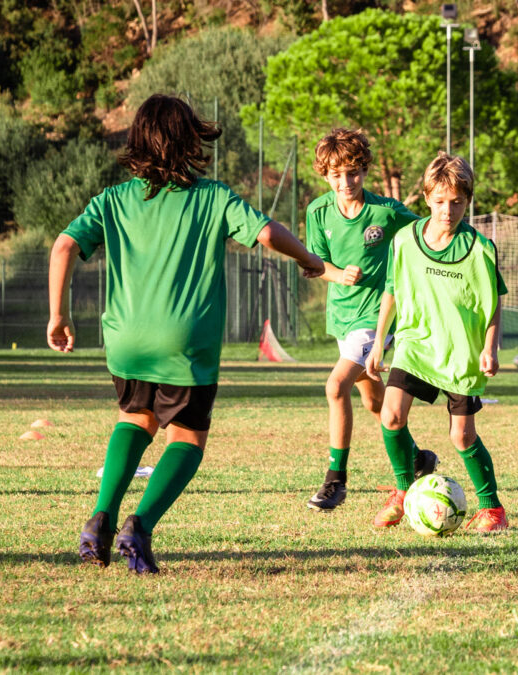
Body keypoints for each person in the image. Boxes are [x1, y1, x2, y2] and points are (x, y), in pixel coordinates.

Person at [51, 94, 325, 574]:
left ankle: (100, 517)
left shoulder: (112, 200)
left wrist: (59, 314)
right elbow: (265, 233)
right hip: (185, 341)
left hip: (125, 340)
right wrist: (309, 259)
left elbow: (64, 245)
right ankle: (139, 525)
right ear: (190, 141)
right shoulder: (212, 196)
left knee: (135, 419)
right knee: (188, 436)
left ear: (137, 140)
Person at [366, 153, 509, 533]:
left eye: (458, 202)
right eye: (441, 201)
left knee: (462, 436)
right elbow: (392, 290)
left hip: (461, 353)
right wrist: (380, 341)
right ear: (427, 198)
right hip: (415, 345)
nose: (449, 210)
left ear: (468, 201)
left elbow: (493, 305)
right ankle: (402, 491)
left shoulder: (481, 250)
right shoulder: (404, 242)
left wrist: (490, 347)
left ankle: (492, 509)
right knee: (391, 415)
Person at [304, 128, 438, 512]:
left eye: (353, 173)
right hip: (341, 318)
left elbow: (427, 232)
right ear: (325, 175)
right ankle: (417, 460)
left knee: (335, 387)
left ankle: (336, 481)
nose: (345, 182)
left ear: (364, 170)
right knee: (374, 402)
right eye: (336, 175)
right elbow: (315, 265)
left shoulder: (386, 212)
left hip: (376, 318)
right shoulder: (317, 212)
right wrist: (337, 274)